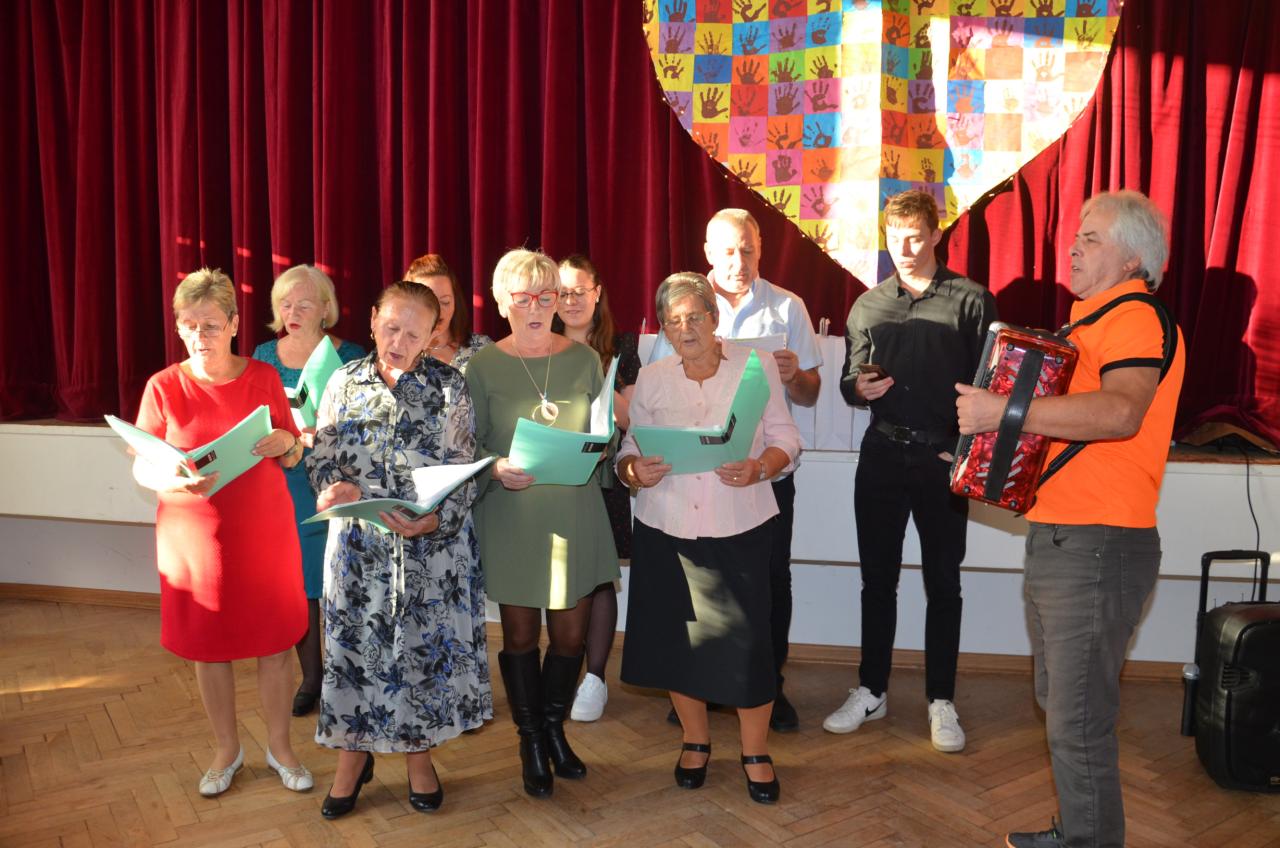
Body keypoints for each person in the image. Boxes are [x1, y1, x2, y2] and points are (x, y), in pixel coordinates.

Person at [956, 190, 1185, 848]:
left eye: (1091, 238)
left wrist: (1002, 412)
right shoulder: (1091, 321)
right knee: (1062, 706)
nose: (1073, 249)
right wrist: (984, 454)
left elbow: (1120, 413)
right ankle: (1078, 831)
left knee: (1077, 721)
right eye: (1076, 236)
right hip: (1068, 538)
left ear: (1133, 259)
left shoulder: (1135, 317)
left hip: (1098, 544)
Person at [306, 281, 492, 818]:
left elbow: (465, 472)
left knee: (419, 658)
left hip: (429, 551)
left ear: (433, 334)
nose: (398, 342)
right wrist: (331, 487)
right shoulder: (344, 381)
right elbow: (322, 456)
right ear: (372, 320)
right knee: (353, 656)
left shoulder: (449, 386)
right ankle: (352, 760)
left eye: (414, 334)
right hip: (359, 550)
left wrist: (437, 518)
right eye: (390, 328)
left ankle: (418, 758)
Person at [618, 272, 802, 804]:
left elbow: (787, 438)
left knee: (747, 648)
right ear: (664, 329)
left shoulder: (754, 366)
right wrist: (633, 471)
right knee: (679, 645)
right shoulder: (652, 378)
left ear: (714, 318)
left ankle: (755, 751)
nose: (686, 328)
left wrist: (761, 466)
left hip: (738, 526)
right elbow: (630, 449)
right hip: (666, 528)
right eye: (673, 321)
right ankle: (695, 741)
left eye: (695, 316)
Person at [131, 267, 312, 797]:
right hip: (193, 540)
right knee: (208, 647)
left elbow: (292, 447)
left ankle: (280, 748)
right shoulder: (163, 386)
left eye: (210, 325)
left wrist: (286, 443)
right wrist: (169, 476)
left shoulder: (263, 377)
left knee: (274, 644)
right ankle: (225, 751)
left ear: (233, 323)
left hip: (263, 535)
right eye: (188, 326)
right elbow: (141, 463)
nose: (199, 336)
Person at [828, 189, 996, 752]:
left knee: (943, 582)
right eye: (895, 237)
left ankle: (941, 700)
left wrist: (961, 450)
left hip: (942, 458)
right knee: (877, 580)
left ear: (935, 236)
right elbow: (850, 380)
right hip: (881, 454)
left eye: (915, 237)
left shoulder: (972, 301)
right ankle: (871, 689)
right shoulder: (867, 305)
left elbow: (991, 384)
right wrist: (859, 387)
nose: (904, 248)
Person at [648, 208, 822, 732]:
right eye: (727, 250)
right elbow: (657, 388)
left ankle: (768, 684)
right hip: (690, 481)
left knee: (767, 584)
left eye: (747, 248)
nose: (739, 260)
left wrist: (793, 376)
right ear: (708, 253)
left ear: (761, 247)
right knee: (695, 590)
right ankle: (696, 689)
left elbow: (809, 394)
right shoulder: (682, 302)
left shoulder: (787, 306)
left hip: (763, 474)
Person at [465, 248, 620, 798]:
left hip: (575, 509)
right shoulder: (482, 366)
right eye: (523, 297)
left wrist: (603, 446)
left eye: (546, 296)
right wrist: (495, 466)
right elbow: (466, 446)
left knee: (572, 635)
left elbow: (604, 435)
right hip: (513, 514)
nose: (535, 308)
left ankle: (555, 730)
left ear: (559, 301)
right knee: (522, 636)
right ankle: (530, 739)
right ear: (501, 302)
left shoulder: (584, 360)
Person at [251, 264, 364, 717]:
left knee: (336, 579)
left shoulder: (350, 354)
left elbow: (366, 420)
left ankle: (345, 675)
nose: (292, 312)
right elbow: (254, 415)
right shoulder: (263, 354)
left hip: (336, 479)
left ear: (325, 308)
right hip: (283, 481)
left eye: (303, 304)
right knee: (300, 584)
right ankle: (311, 677)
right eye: (285, 304)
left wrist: (327, 431)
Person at [552, 254, 642, 723]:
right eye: (562, 292)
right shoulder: (541, 344)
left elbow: (633, 418)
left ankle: (595, 677)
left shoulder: (621, 346)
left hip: (603, 478)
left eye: (579, 291)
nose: (571, 301)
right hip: (555, 475)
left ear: (597, 293)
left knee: (600, 574)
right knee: (559, 572)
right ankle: (561, 670)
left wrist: (597, 375)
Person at [403, 253, 493, 374]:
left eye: (445, 302)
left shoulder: (482, 349)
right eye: (428, 303)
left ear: (455, 302)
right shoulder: (395, 352)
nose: (438, 311)